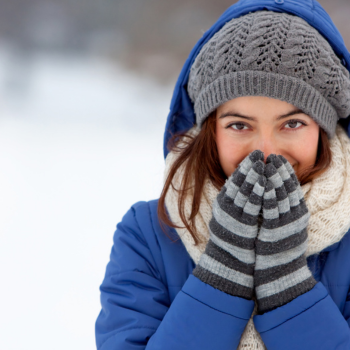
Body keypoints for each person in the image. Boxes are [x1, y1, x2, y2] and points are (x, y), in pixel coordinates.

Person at [95, 0, 350, 349]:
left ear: (323, 129)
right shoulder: (148, 235)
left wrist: (289, 291)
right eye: (239, 125)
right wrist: (221, 278)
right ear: (210, 131)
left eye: (292, 123)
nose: (266, 151)